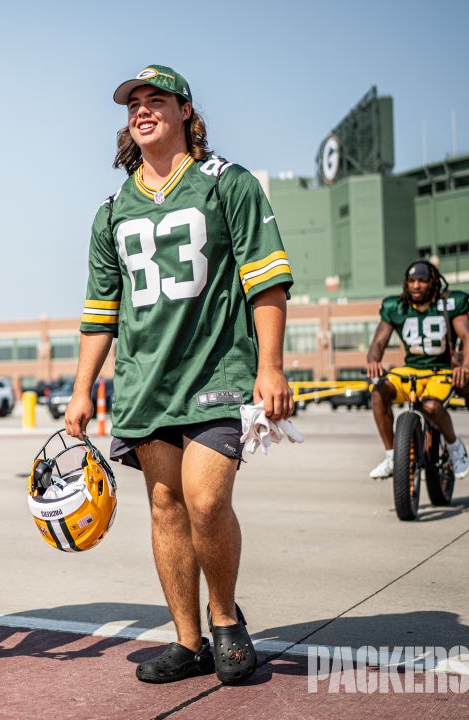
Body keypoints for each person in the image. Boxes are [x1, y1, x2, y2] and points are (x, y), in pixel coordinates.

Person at [65, 65, 294, 685]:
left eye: (156, 100)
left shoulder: (228, 184)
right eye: (134, 103)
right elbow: (99, 311)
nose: (143, 110)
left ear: (186, 112)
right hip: (144, 381)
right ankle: (188, 641)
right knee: (166, 507)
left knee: (205, 500)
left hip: (219, 371)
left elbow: (267, 281)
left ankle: (226, 621)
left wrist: (270, 368)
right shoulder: (111, 210)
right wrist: (83, 388)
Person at [365, 260, 469, 480]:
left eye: (422, 281)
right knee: (378, 392)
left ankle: (454, 446)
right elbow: (378, 343)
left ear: (432, 282)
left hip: (441, 371)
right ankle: (391, 456)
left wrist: (466, 366)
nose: (416, 285)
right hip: (411, 370)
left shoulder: (450, 303)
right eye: (412, 280)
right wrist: (373, 361)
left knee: (431, 406)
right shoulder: (396, 307)